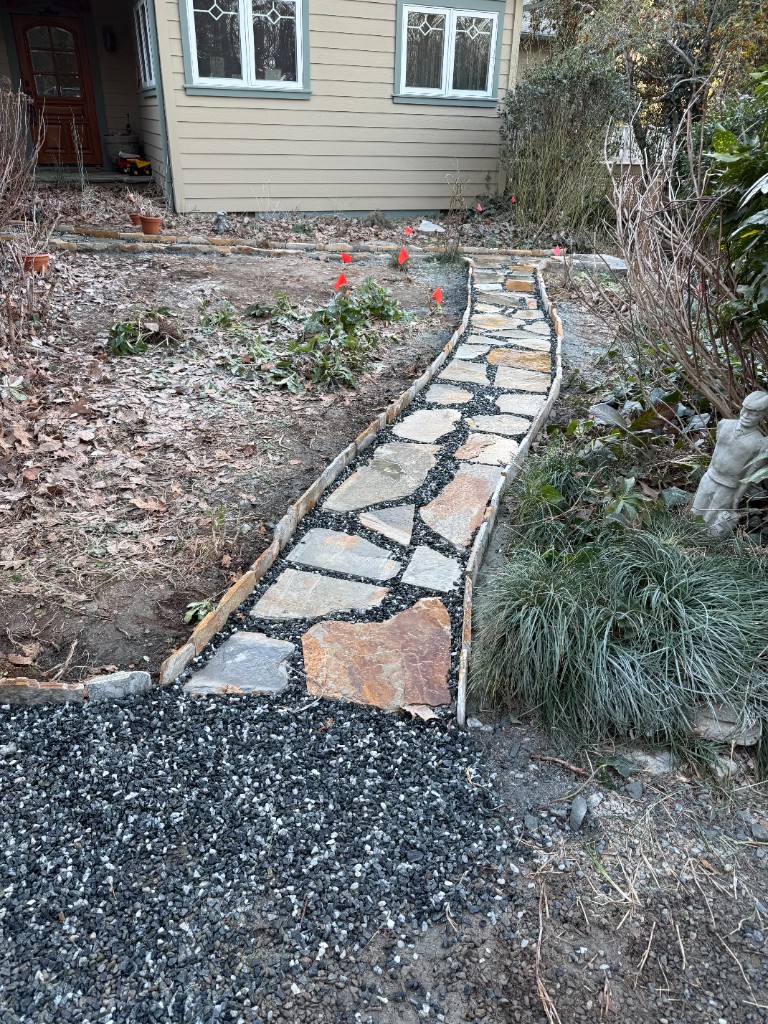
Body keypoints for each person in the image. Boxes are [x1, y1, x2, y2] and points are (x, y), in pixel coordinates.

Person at [692, 391, 768, 534]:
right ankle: (686, 532)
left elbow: (750, 475)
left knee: (711, 517)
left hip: (728, 486)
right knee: (696, 509)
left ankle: (705, 542)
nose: (746, 416)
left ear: (762, 415)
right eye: (745, 410)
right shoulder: (724, 425)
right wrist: (707, 473)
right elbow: (716, 451)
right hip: (709, 476)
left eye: (753, 413)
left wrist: (736, 499)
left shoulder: (760, 443)